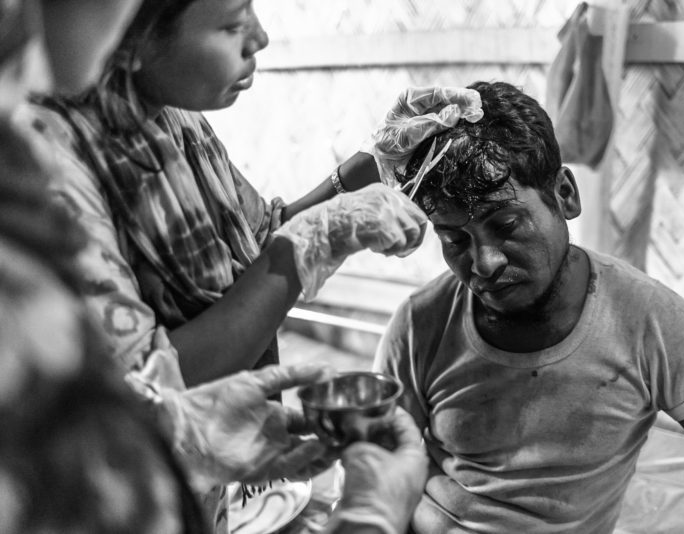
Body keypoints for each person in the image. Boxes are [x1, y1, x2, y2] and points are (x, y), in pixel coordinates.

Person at [0, 1, 434, 533]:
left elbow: (258, 244)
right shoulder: (47, 159)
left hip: (209, 492)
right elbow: (148, 382)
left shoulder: (172, 116)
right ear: (135, 38)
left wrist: (372, 163)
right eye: (231, 23)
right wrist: (370, 518)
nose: (261, 38)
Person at [374, 81, 684, 533]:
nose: (485, 263)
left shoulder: (648, 322)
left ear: (564, 195)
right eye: (455, 239)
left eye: (506, 224)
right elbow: (382, 474)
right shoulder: (421, 324)